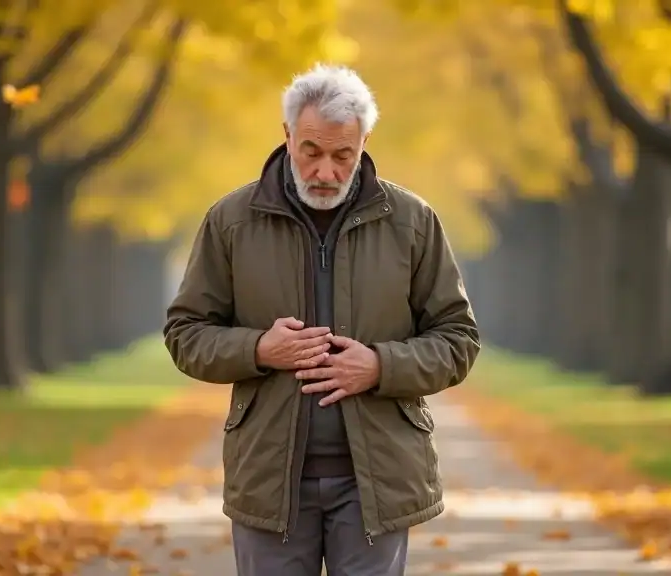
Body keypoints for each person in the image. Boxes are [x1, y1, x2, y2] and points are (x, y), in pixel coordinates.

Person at [163, 63, 481, 576]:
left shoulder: (413, 222)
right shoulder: (231, 221)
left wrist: (380, 366)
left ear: (364, 143)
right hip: (269, 481)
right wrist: (258, 350)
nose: (326, 172)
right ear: (287, 135)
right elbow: (186, 334)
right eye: (311, 152)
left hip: (378, 482)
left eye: (342, 155)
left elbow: (458, 339)